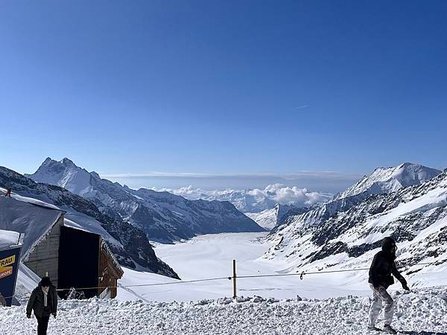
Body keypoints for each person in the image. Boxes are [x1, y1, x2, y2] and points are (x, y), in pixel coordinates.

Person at [368, 237, 410, 334]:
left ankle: (371, 326)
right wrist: (376, 285)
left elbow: (394, 271)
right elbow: (372, 270)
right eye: (392, 247)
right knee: (389, 301)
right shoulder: (379, 256)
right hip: (376, 284)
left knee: (376, 302)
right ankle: (386, 326)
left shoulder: (389, 258)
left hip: (379, 284)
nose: (393, 249)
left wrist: (403, 282)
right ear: (387, 247)